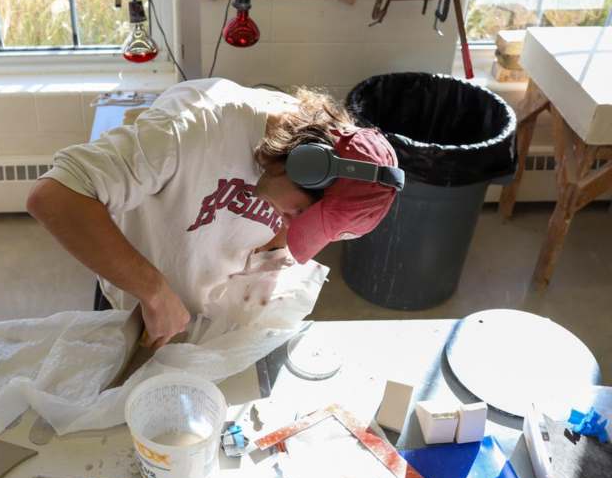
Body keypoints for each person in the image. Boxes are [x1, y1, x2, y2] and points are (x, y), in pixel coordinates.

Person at [27, 78, 397, 349]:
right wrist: (155, 294)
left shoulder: (296, 167)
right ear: (305, 164)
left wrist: (265, 275)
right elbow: (54, 196)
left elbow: (279, 234)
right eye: (297, 212)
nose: (288, 226)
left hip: (203, 311)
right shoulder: (191, 126)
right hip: (137, 300)